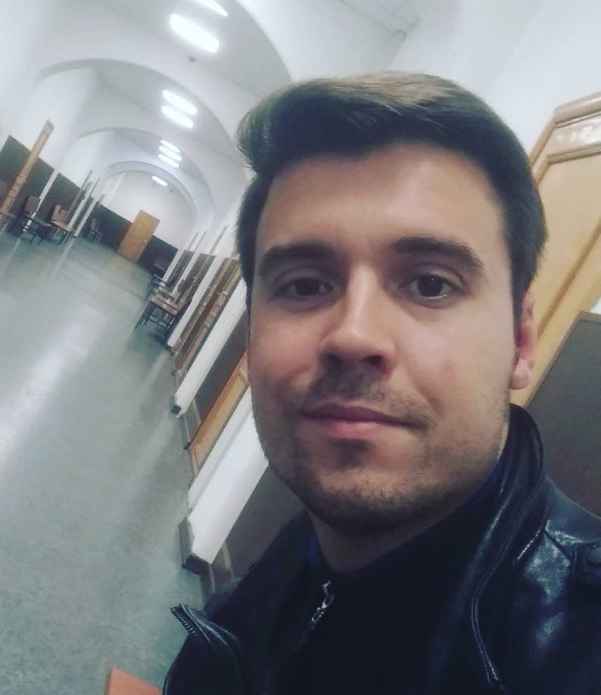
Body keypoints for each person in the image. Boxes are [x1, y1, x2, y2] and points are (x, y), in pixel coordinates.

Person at [163, 73, 601, 694]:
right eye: (305, 285)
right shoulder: (278, 579)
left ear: (521, 341)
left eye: (430, 284)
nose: (353, 335)